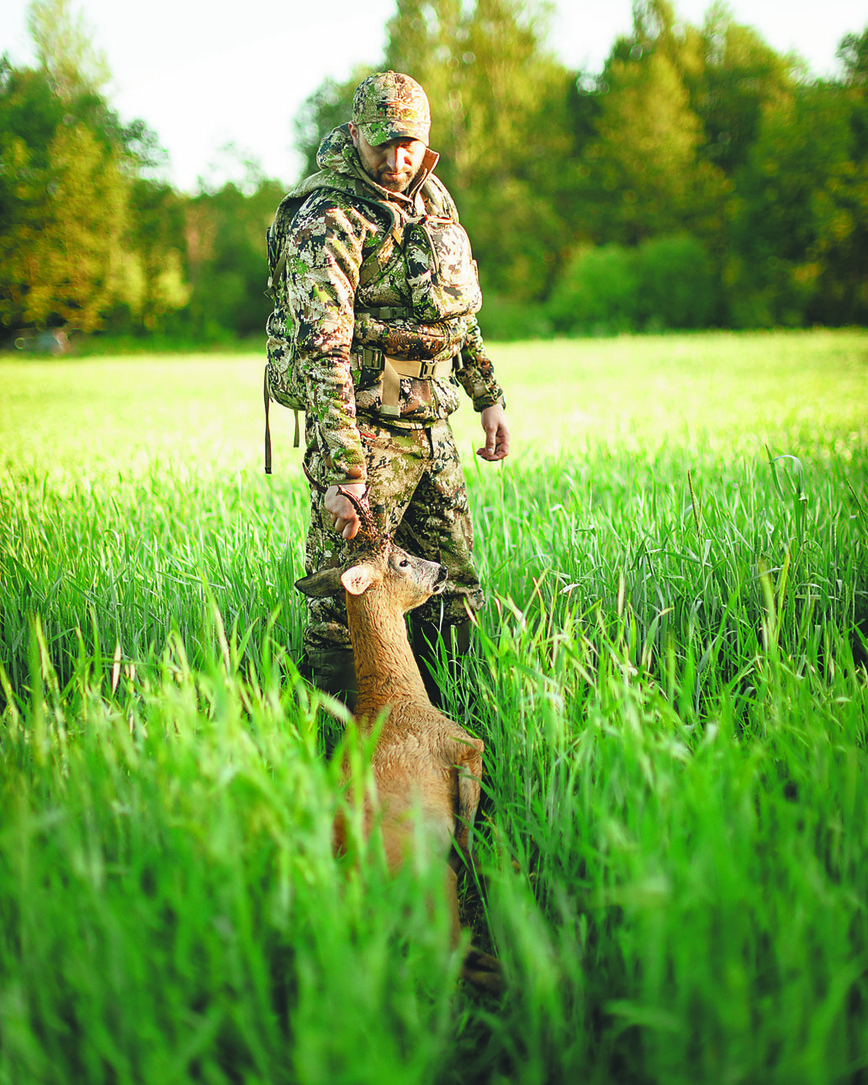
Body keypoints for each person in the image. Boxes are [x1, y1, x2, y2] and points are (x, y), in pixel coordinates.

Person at [266, 70, 509, 707]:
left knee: (452, 593)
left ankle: (452, 739)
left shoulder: (434, 201)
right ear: (355, 134)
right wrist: (343, 469)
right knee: (349, 608)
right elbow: (325, 348)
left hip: (433, 428)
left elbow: (457, 316)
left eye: (410, 144)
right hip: (366, 433)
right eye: (382, 143)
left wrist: (487, 397)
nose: (397, 159)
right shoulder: (329, 219)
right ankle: (338, 760)